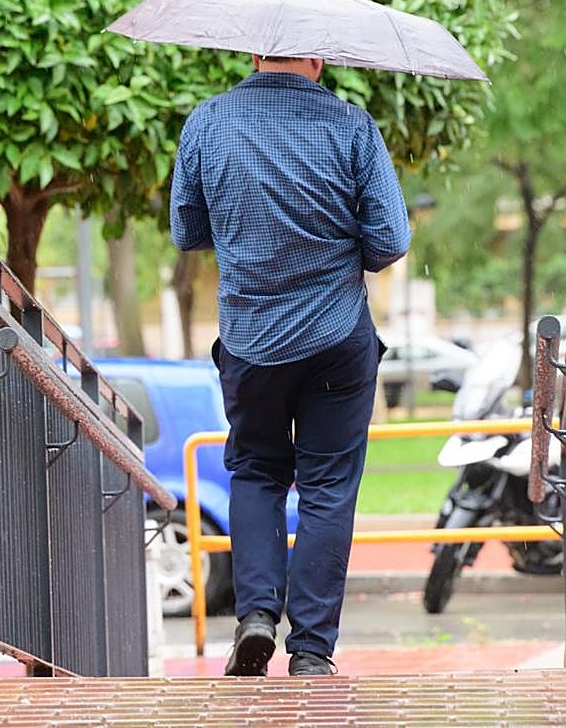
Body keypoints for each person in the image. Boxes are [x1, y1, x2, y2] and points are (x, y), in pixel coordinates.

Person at [170, 54, 410, 676]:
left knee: (255, 471)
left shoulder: (207, 122)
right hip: (336, 336)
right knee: (328, 488)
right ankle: (311, 650)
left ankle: (255, 615)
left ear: (255, 55)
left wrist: (247, 234)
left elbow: (186, 231)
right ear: (320, 59)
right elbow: (390, 241)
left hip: (250, 340)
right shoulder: (352, 127)